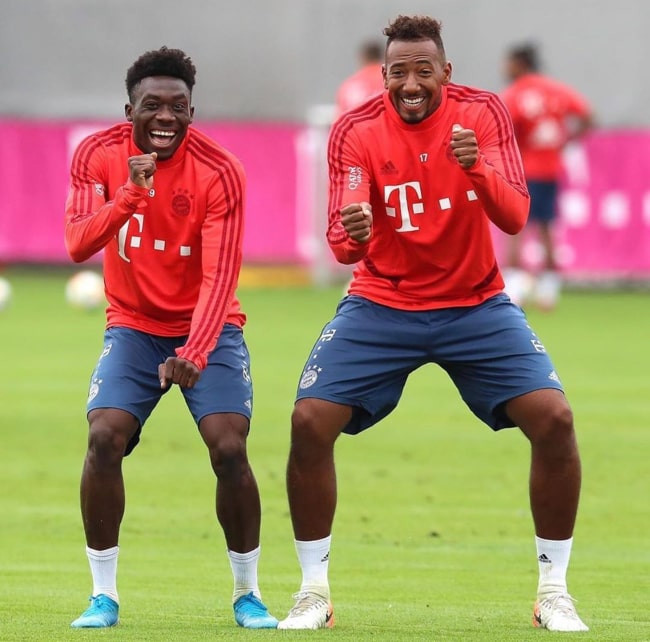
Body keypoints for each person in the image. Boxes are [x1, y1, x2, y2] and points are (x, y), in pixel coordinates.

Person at [277, 15, 588, 633]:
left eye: (424, 70)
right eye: (399, 72)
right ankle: (313, 592)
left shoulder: (485, 114)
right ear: (383, 76)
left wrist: (477, 169)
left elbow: (516, 216)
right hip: (381, 301)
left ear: (446, 71)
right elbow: (341, 242)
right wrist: (353, 234)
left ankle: (554, 590)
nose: (411, 83)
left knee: (554, 420)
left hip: (475, 303)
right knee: (309, 422)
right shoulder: (355, 130)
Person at [64, 46, 277, 630]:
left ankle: (247, 593)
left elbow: (219, 275)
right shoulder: (96, 154)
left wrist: (196, 350)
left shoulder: (220, 170)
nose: (165, 117)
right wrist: (131, 194)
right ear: (127, 108)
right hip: (133, 325)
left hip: (209, 327)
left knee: (229, 448)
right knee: (104, 437)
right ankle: (102, 596)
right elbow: (78, 242)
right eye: (151, 106)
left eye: (178, 107)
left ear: (192, 110)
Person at [500, 43, 593, 310]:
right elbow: (588, 115)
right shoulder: (556, 89)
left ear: (519, 63)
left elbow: (503, 125)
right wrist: (567, 141)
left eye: (508, 63)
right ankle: (548, 293)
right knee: (546, 229)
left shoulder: (515, 93)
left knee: (515, 228)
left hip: (523, 171)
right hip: (550, 170)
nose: (505, 68)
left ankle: (514, 290)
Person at [334, 39, 385, 118]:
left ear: (362, 58)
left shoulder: (349, 85)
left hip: (356, 128)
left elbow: (339, 118)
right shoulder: (390, 80)